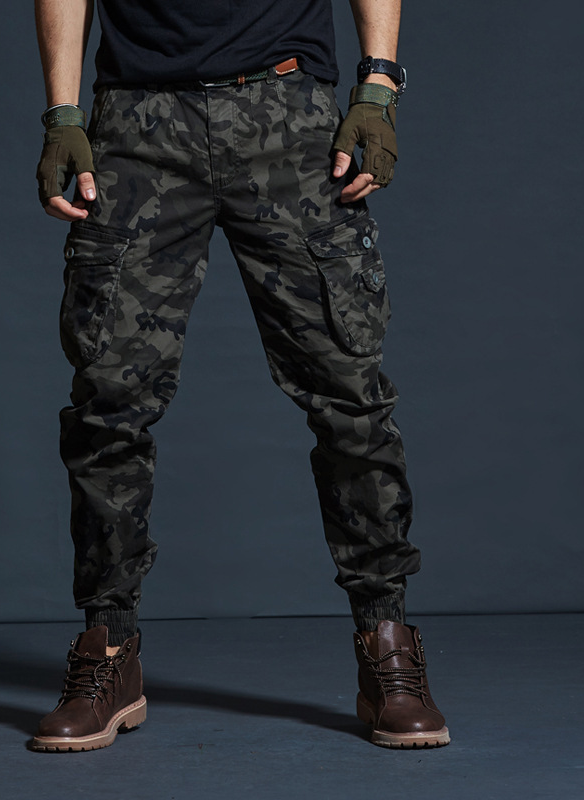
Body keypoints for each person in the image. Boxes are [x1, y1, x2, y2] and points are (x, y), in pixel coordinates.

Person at [30, 0, 450, 752]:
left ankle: (386, 644)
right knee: (109, 399)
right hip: (139, 119)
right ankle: (109, 647)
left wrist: (378, 86)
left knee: (349, 395)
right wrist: (62, 114)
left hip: (286, 114)